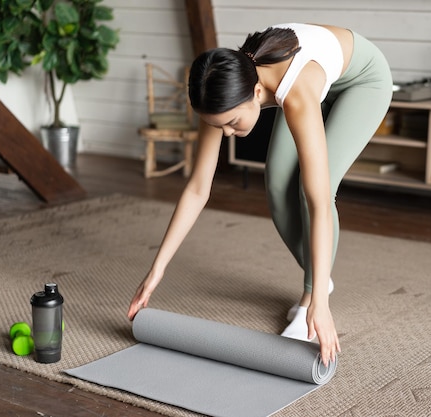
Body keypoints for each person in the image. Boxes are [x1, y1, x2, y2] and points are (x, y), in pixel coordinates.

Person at [127, 23, 392, 367]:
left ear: (255, 93)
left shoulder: (295, 92)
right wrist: (156, 270)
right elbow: (197, 188)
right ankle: (319, 280)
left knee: (312, 187)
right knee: (278, 184)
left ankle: (313, 292)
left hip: (362, 81)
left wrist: (320, 308)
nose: (227, 133)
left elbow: (319, 201)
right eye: (218, 125)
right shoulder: (220, 90)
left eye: (233, 122)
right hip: (313, 81)